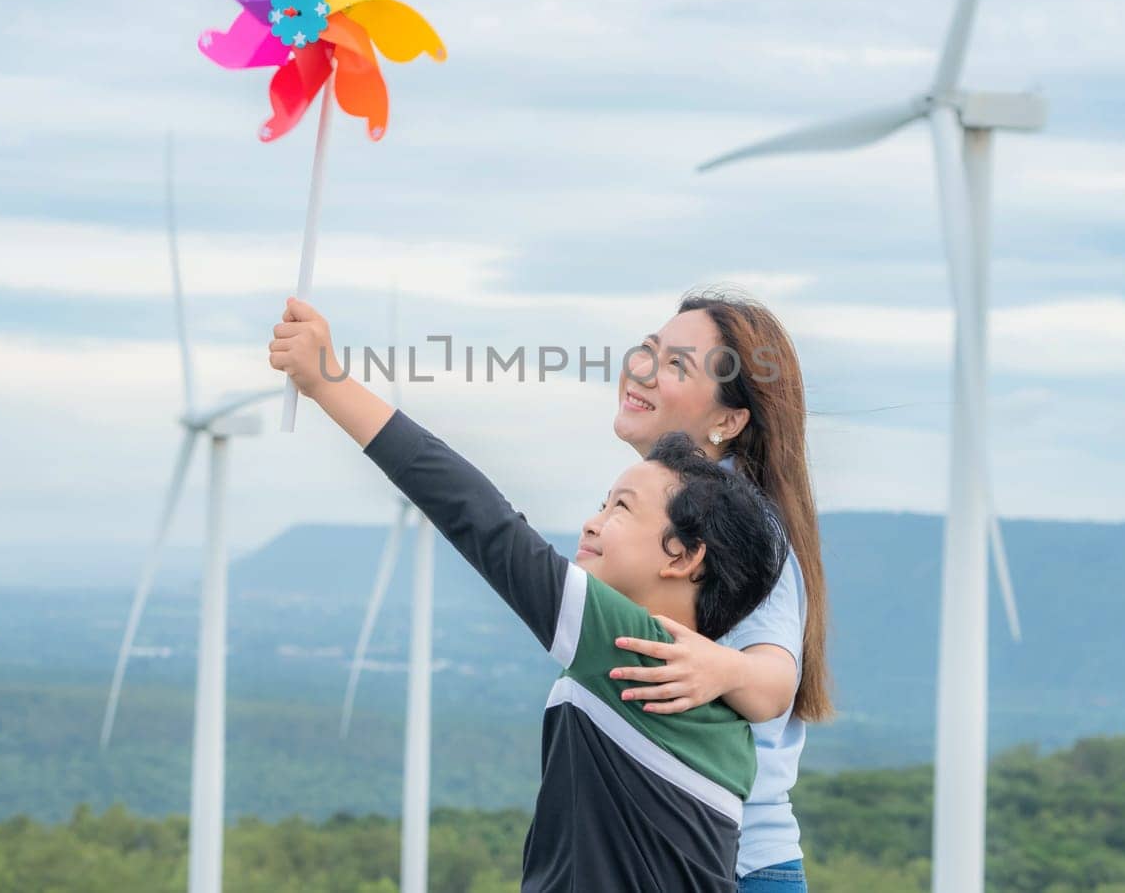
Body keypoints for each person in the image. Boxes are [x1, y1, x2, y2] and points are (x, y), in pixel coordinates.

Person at [269, 296, 788, 892]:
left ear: (684, 555)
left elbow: (481, 518)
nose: (592, 524)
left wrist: (326, 382)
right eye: (601, 504)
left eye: (620, 508)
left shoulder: (631, 652)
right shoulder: (718, 714)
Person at [606, 288, 834, 893]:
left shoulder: (741, 523)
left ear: (729, 421)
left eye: (677, 365)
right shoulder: (672, 509)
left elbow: (773, 682)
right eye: (651, 349)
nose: (645, 369)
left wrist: (720, 667)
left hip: (735, 868)